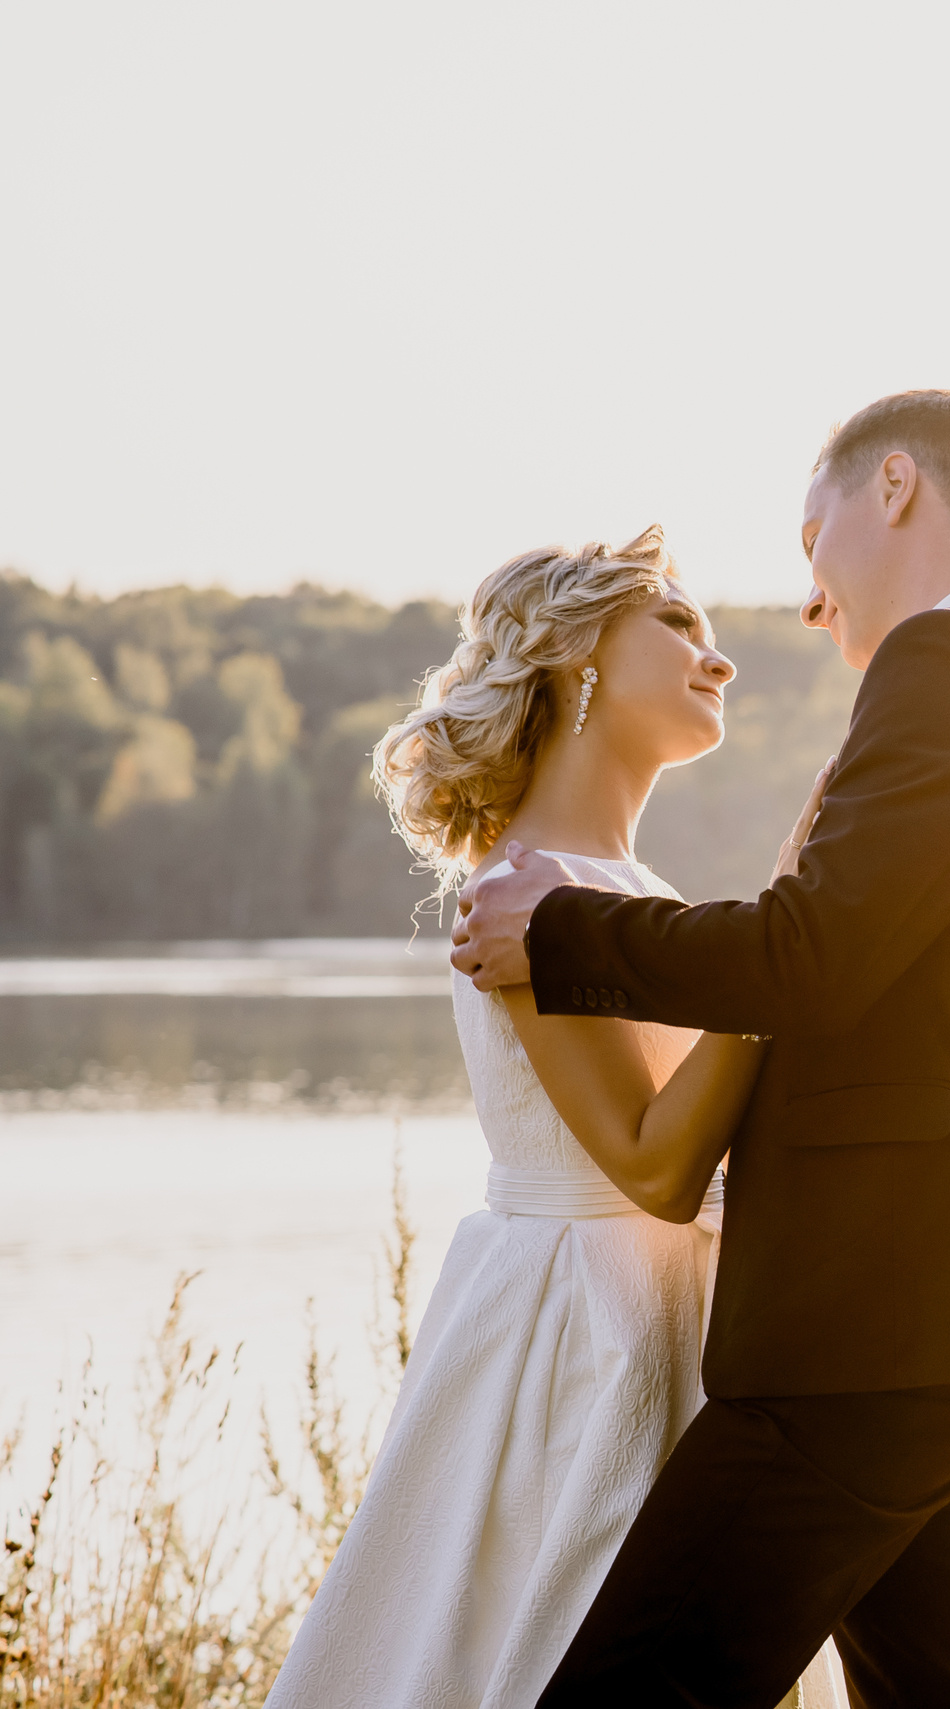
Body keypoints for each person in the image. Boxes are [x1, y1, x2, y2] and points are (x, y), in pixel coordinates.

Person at [451, 390, 950, 1708]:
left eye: (810, 534)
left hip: (878, 1324)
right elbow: (861, 962)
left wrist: (559, 930)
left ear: (894, 488)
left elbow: (812, 954)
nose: (812, 595)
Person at [269, 528, 851, 1707]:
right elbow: (653, 1166)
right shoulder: (518, 892)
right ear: (578, 657)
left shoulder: (641, 900)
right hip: (589, 1342)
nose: (719, 656)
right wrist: (778, 976)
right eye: (679, 623)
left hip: (691, 1319)